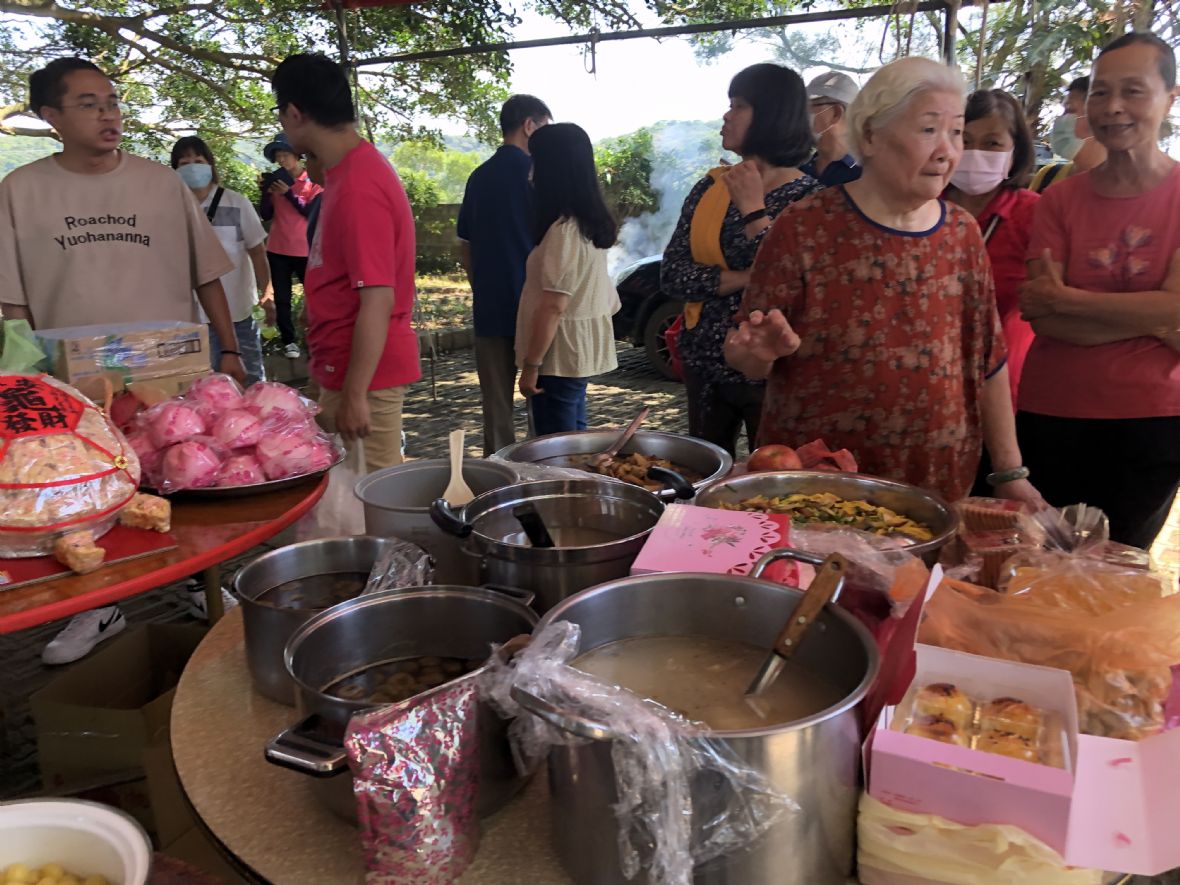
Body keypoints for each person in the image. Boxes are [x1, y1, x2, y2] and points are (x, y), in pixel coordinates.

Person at [0, 57, 244, 664]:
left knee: (181, 480)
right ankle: (95, 606)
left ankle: (201, 584)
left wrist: (231, 348)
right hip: (73, 390)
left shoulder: (161, 184)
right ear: (49, 116)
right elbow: (9, 304)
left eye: (112, 100)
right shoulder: (20, 191)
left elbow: (207, 274)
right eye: (88, 103)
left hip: (169, 376)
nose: (108, 113)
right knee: (78, 498)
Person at [724, 56, 1041, 508]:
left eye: (955, 132)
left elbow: (987, 358)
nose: (949, 151)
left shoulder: (961, 231)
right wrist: (756, 353)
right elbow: (745, 352)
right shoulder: (805, 225)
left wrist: (1010, 472)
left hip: (936, 485)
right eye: (929, 130)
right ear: (871, 135)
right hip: (819, 487)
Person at [1018, 32, 1180, 550]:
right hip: (1052, 413)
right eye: (1100, 92)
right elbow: (1043, 320)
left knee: (1117, 573)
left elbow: (1176, 305)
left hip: (1153, 420)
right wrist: (1155, 318)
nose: (1112, 108)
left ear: (1170, 97)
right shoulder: (1059, 200)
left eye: (1133, 91)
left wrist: (1069, 300)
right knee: (1036, 565)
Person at [661, 63, 822, 457]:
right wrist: (746, 277)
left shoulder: (811, 198)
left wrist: (753, 211)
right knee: (703, 474)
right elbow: (673, 275)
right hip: (704, 362)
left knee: (774, 480)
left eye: (739, 105)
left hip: (773, 371)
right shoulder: (712, 185)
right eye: (729, 104)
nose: (726, 115)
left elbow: (793, 285)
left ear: (772, 114)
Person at [271, 53, 420, 472]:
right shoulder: (342, 175)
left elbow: (377, 299)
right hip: (344, 365)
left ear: (295, 113)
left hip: (365, 377)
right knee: (343, 501)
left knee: (367, 507)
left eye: (280, 113)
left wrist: (355, 394)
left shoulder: (358, 185)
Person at [457, 94, 552, 455]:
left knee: (496, 407)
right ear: (529, 125)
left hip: (491, 305)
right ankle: (539, 475)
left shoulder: (478, 177)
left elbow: (464, 244)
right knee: (539, 402)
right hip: (536, 309)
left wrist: (479, 282)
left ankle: (497, 478)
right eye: (544, 127)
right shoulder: (538, 175)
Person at [516, 123, 620, 434]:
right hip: (572, 356)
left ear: (553, 168)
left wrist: (531, 366)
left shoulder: (564, 230)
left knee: (555, 451)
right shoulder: (586, 226)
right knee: (572, 439)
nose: (531, 173)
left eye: (536, 161)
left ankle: (568, 486)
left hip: (557, 358)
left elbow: (554, 306)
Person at [944, 89, 1040, 409]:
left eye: (992, 143)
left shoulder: (1035, 213)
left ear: (1016, 151)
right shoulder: (922, 207)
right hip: (929, 376)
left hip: (1003, 385)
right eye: (964, 140)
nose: (974, 153)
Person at [171, 136, 276, 386]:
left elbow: (257, 252)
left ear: (210, 165)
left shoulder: (236, 203)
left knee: (248, 383)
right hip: (190, 318)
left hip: (236, 313)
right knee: (204, 390)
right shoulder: (169, 207)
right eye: (184, 162)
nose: (192, 166)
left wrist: (268, 294)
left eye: (198, 160)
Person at [258, 131, 322, 359]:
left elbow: (309, 212)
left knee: (314, 296)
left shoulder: (313, 181)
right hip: (278, 249)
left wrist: (289, 194)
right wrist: (266, 193)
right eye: (278, 156)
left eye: (286, 154)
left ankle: (316, 338)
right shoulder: (276, 180)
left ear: (297, 156)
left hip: (305, 250)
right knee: (282, 297)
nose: (282, 160)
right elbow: (265, 214)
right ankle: (289, 341)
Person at [1030, 76, 1108, 192]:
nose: (1061, 119)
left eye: (1069, 111)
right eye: (1063, 112)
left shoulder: (1125, 189)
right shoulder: (1047, 176)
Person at [800, 71, 862, 186]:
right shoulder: (798, 168)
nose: (799, 116)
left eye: (806, 107)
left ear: (836, 114)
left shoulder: (865, 177)